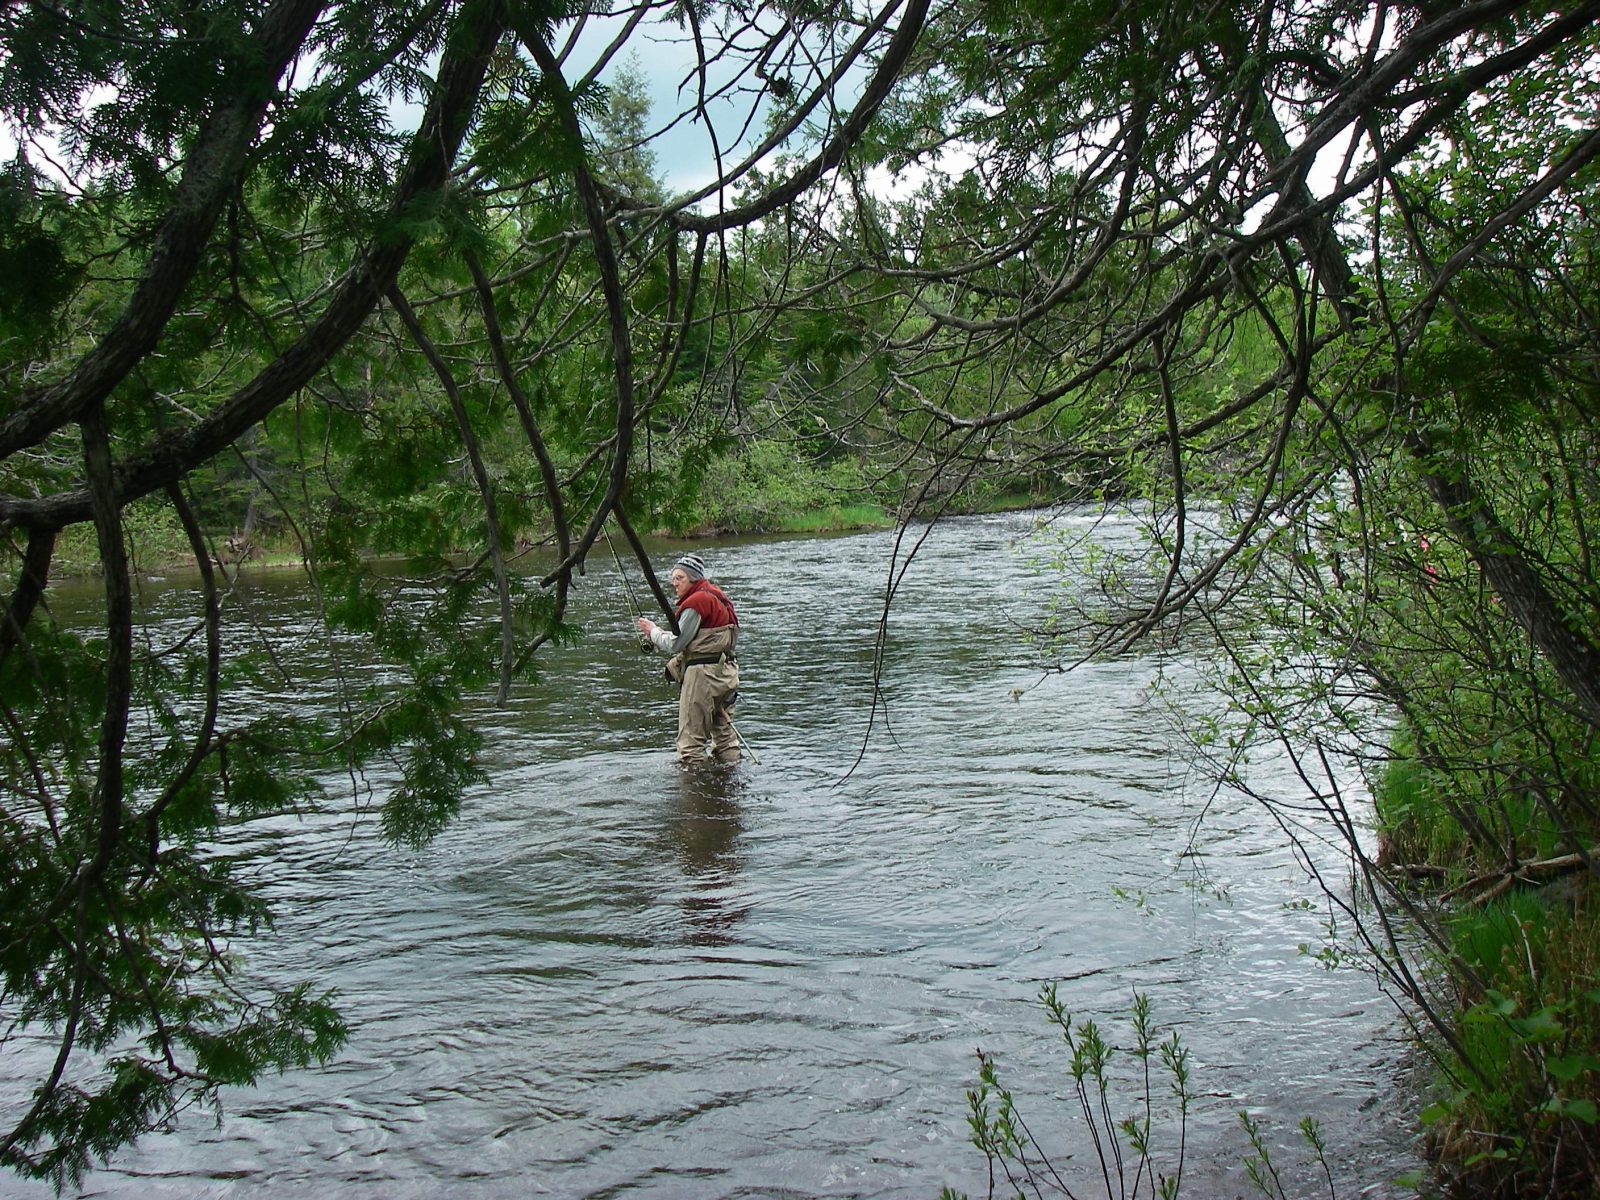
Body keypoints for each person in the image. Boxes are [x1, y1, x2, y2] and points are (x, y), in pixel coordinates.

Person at [637, 553, 742, 763]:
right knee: (725, 738)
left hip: (703, 678)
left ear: (693, 578)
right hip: (726, 674)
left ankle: (695, 793)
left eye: (680, 578)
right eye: (673, 578)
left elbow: (676, 643)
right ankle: (729, 784)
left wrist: (653, 632)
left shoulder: (697, 602)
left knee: (690, 745)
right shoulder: (717, 596)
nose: (674, 583)